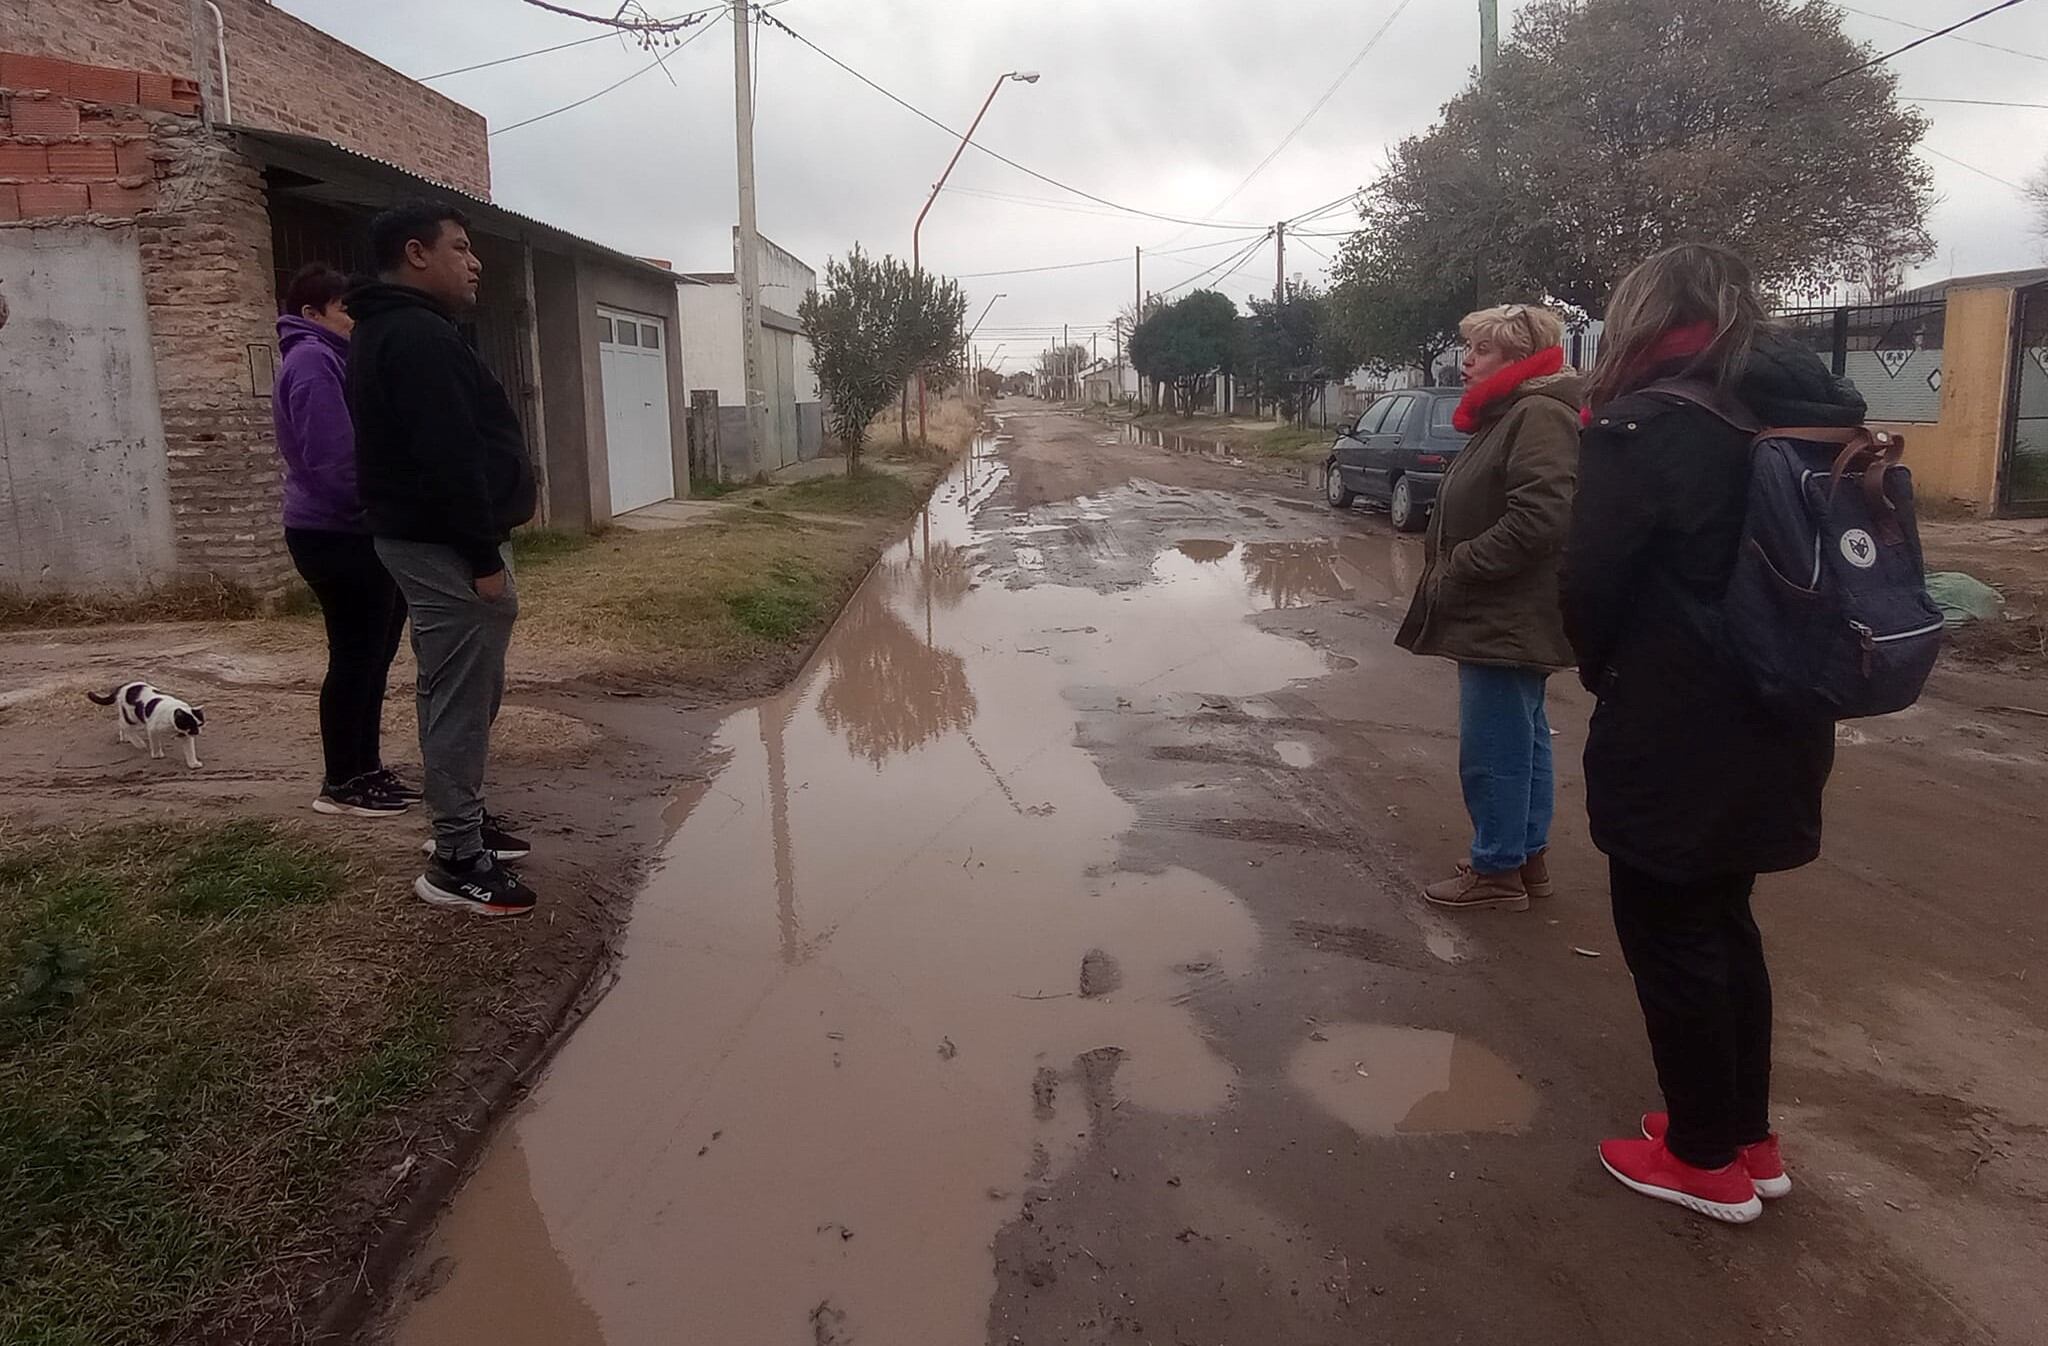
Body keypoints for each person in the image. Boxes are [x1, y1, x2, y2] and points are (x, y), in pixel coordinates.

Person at [1563, 244, 1864, 1224]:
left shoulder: (1644, 421)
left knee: (1667, 928)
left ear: (1642, 314)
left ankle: (1699, 1158)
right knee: (1724, 922)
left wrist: (1603, 668)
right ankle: (1744, 1136)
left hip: (1673, 719)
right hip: (1780, 705)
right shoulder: (1790, 416)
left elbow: (1590, 584)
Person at [347, 202, 538, 917]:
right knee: (460, 695)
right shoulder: (415, 337)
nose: (476, 260)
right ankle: (458, 858)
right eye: (460, 247)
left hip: (433, 538)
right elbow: (448, 458)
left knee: (456, 689)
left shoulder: (396, 329)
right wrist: (483, 555)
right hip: (445, 542)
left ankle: (463, 817)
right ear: (416, 253)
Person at [1395, 304, 1582, 912]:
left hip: (1505, 611)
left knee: (1495, 746)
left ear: (1520, 360)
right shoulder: (1510, 415)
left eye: (1482, 351)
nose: (1466, 361)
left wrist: (1463, 564)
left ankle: (1497, 869)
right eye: (1467, 348)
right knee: (1520, 739)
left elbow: (1541, 517)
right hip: (1504, 610)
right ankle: (1524, 859)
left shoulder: (1536, 415)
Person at [274, 263, 418, 819]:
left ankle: (366, 769)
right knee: (356, 658)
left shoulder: (332, 358)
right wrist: (379, 510)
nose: (355, 320)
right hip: (335, 533)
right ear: (313, 314)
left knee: (373, 657)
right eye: (345, 310)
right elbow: (333, 460)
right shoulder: (312, 361)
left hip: (351, 529)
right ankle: (342, 782)